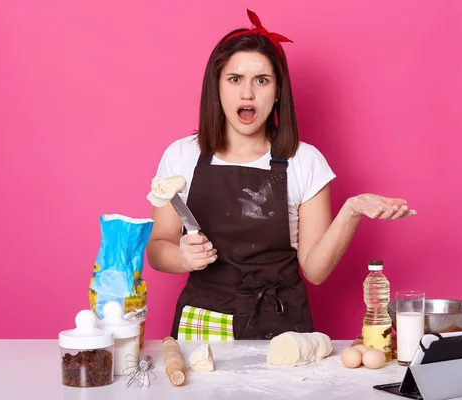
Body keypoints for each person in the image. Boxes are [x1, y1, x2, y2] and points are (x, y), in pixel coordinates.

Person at [146, 9, 416, 340]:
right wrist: (182, 256)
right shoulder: (181, 156)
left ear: (277, 92)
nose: (247, 93)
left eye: (261, 80)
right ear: (216, 87)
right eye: (235, 79)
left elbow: (315, 271)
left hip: (282, 326)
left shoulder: (306, 162)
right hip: (203, 322)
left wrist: (352, 210)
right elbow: (158, 248)